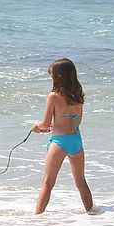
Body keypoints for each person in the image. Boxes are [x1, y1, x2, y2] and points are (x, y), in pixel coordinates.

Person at [31, 57, 95, 214]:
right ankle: (92, 213)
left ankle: (36, 218)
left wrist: (36, 126)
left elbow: (45, 124)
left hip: (59, 142)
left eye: (52, 75)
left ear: (58, 77)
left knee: (48, 182)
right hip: (76, 141)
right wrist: (57, 124)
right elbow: (77, 121)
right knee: (81, 181)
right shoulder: (78, 96)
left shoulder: (53, 96)